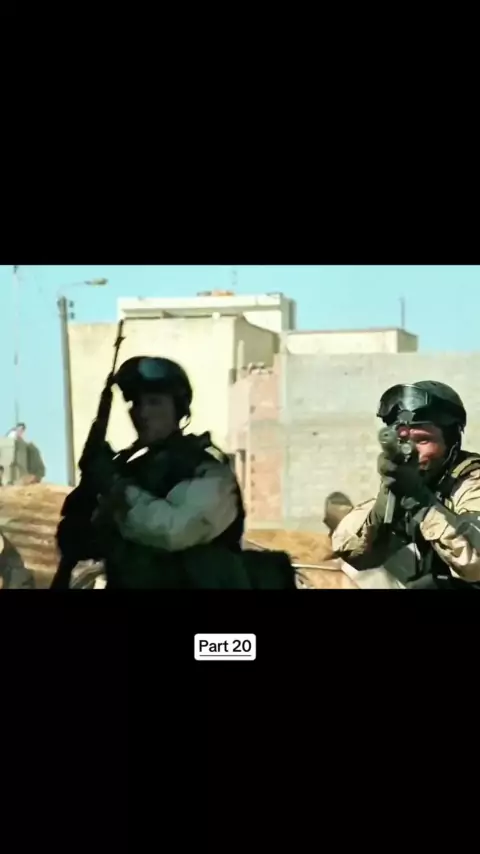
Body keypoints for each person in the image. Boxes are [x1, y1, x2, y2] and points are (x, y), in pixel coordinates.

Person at [57, 356, 294, 589]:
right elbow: (87, 544)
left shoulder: (210, 471)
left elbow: (174, 530)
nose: (142, 413)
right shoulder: (130, 471)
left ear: (178, 409)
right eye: (135, 403)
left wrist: (115, 487)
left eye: (154, 402)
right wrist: (87, 498)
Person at [332, 381, 480, 589]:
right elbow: (351, 552)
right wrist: (386, 499)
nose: (410, 451)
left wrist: (422, 503)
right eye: (403, 441)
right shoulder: (423, 481)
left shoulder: (471, 481)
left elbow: (475, 566)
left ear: (451, 442)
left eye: (422, 440)